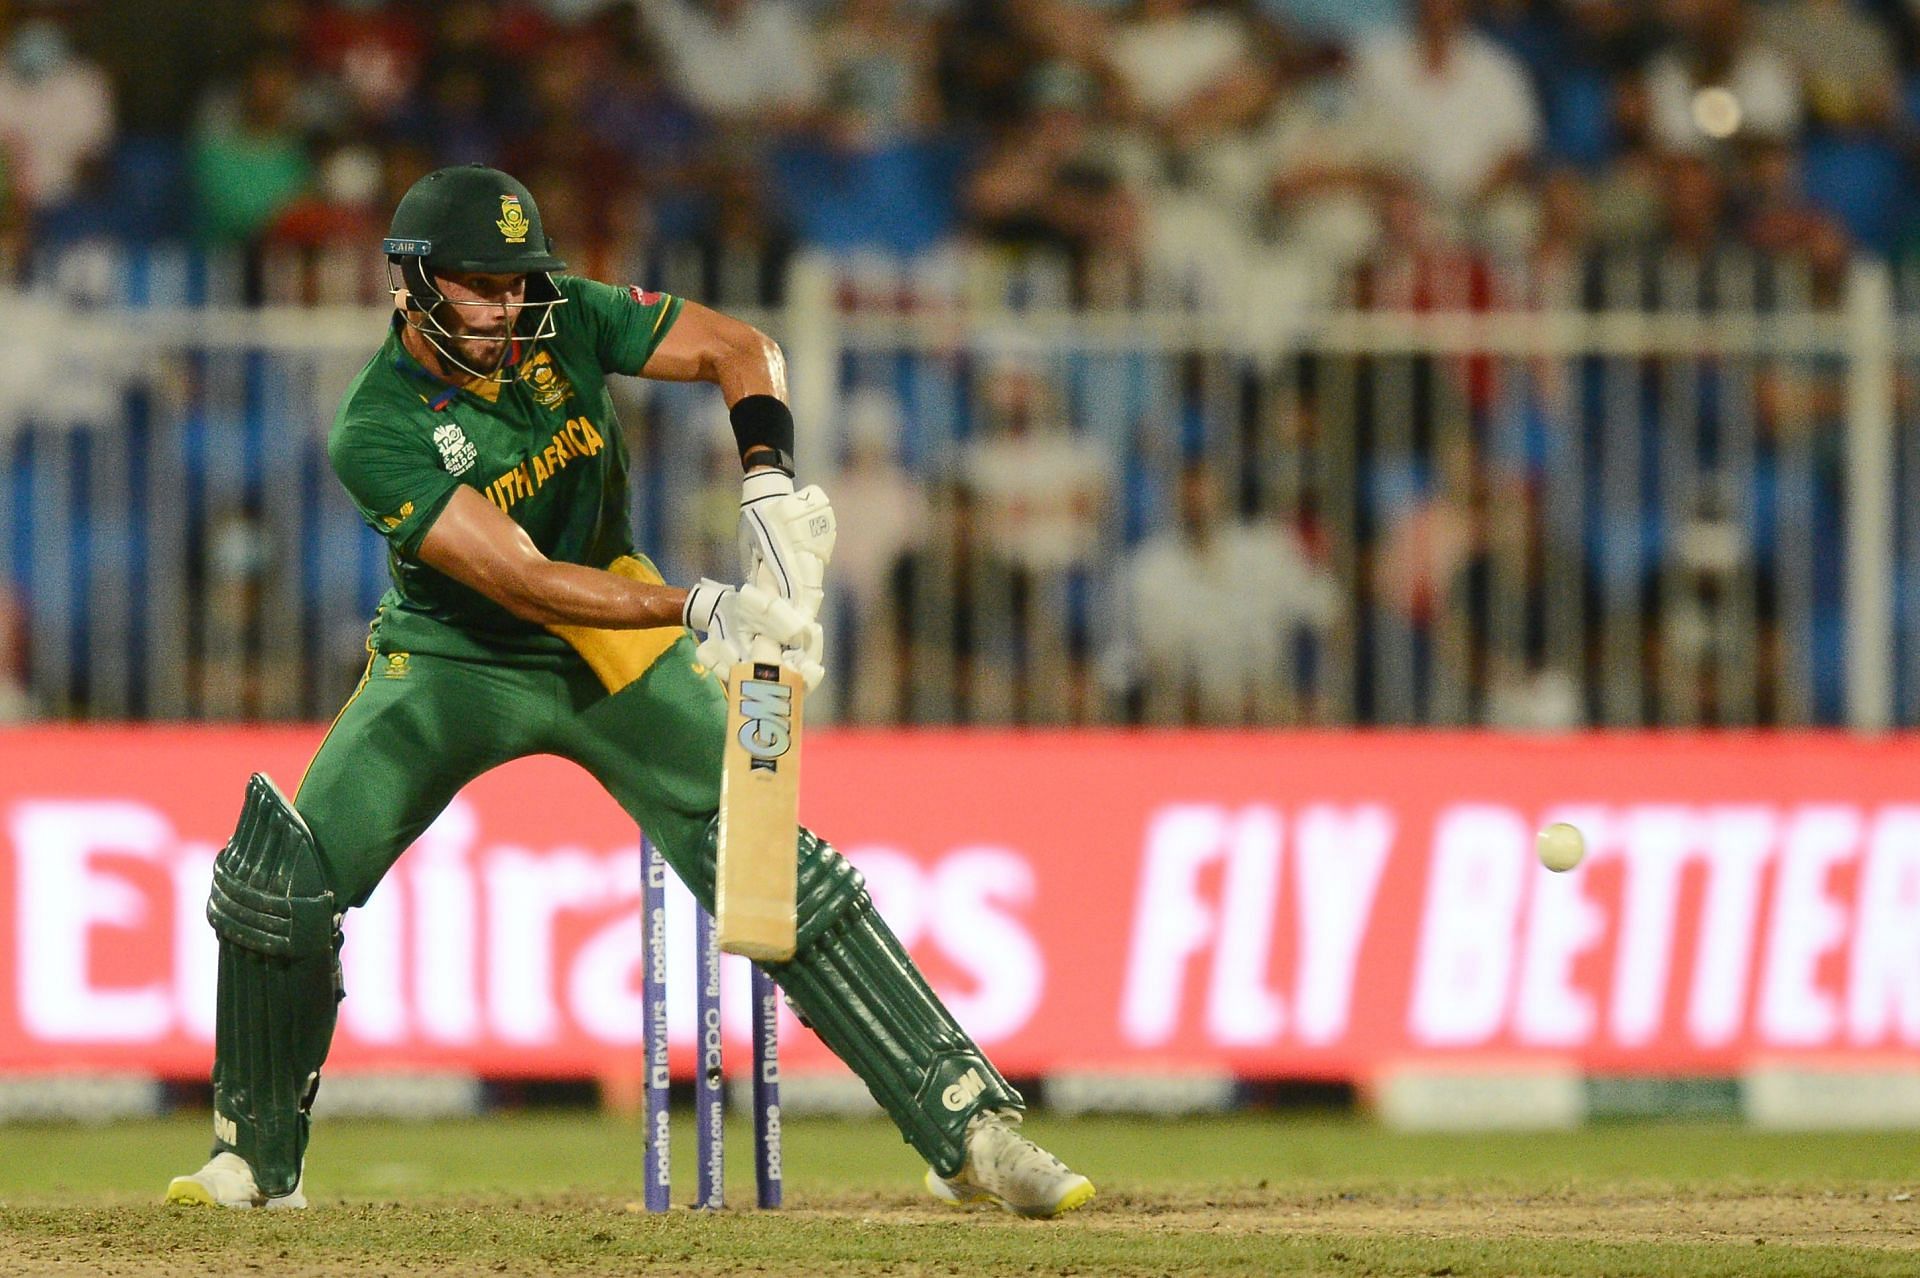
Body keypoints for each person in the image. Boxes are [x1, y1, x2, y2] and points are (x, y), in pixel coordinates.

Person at [163, 164, 1092, 1219]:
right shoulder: (375, 425)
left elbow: (743, 349)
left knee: (768, 867)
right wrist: (701, 607)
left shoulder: (560, 319)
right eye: (477, 284)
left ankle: (968, 1130)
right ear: (412, 284)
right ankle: (253, 1165)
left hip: (612, 645)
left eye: (517, 282)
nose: (508, 307)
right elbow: (516, 577)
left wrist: (769, 484)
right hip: (458, 657)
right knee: (282, 881)